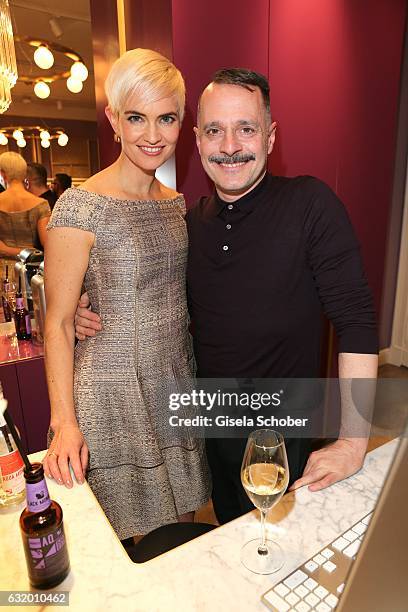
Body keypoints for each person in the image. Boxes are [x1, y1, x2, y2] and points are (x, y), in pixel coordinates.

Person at [75, 68, 378, 525]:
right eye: (215, 130)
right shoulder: (189, 223)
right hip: (212, 428)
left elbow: (356, 321)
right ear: (197, 140)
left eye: (246, 129)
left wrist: (354, 441)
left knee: (281, 547)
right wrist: (92, 311)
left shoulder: (310, 204)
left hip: (284, 433)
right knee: (231, 538)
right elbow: (158, 298)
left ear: (270, 137)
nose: (230, 146)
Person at [43, 48, 210, 540]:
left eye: (167, 119)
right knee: (124, 541)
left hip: (174, 377)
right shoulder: (80, 206)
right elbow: (56, 323)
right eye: (136, 117)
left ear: (183, 122)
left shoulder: (175, 203)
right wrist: (63, 422)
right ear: (113, 119)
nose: (153, 135)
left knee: (181, 528)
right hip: (111, 392)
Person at [0, 152, 51, 281]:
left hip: (3, 271)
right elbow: (48, 244)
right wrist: (31, 253)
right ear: (24, 173)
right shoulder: (41, 204)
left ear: (3, 174)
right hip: (31, 270)